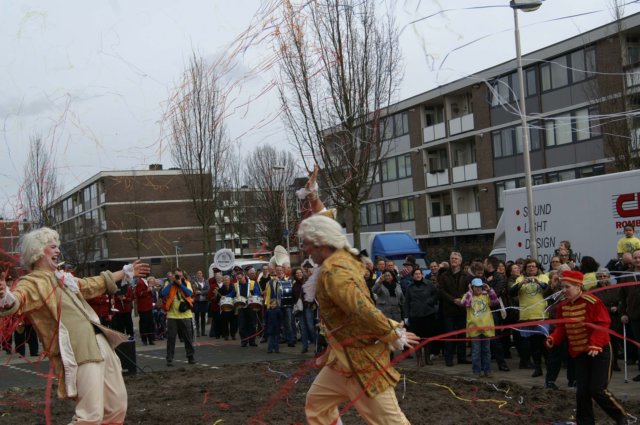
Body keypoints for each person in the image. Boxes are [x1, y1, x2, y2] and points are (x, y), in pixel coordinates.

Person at [0, 227, 149, 424]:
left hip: (101, 345)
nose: (58, 251)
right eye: (52, 247)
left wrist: (124, 272)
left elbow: (92, 284)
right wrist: (4, 296)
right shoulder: (32, 282)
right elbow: (17, 300)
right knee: (89, 416)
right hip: (79, 351)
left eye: (57, 247)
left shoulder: (64, 278)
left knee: (116, 407)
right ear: (38, 251)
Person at [298, 215, 419, 425]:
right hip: (340, 361)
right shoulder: (344, 256)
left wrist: (392, 332)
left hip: (360, 363)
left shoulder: (335, 274)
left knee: (391, 422)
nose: (305, 249)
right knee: (317, 404)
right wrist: (314, 199)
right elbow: (328, 222)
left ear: (322, 243)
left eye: (308, 243)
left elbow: (362, 309)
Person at [546, 271, 628, 425]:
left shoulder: (592, 302)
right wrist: (553, 338)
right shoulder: (562, 306)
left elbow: (603, 324)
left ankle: (621, 418)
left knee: (597, 390)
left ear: (578, 286)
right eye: (562, 287)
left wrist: (596, 343)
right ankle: (585, 422)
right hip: (579, 352)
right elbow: (562, 328)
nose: (564, 290)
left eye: (567, 287)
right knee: (582, 392)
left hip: (599, 350)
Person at [509, 258, 549, 377]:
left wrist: (539, 283)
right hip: (527, 316)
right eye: (529, 267)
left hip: (542, 315)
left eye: (533, 266)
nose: (531, 268)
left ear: (537, 268)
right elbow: (511, 292)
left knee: (545, 343)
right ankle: (537, 368)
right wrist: (521, 284)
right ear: (525, 269)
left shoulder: (543, 277)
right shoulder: (520, 279)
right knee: (533, 344)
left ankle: (548, 367)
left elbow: (549, 289)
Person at [462, 278, 499, 378]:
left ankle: (487, 370)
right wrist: (469, 291)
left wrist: (490, 290)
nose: (478, 289)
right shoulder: (468, 295)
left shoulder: (486, 295)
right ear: (472, 287)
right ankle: (476, 371)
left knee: (486, 351)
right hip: (474, 329)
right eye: (475, 287)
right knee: (476, 351)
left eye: (479, 286)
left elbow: (495, 302)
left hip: (486, 327)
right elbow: (466, 304)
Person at [438, 251, 471, 367]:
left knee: (462, 334)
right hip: (449, 309)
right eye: (452, 258)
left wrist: (463, 299)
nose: (454, 260)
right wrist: (453, 300)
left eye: (456, 259)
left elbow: (469, 290)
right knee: (450, 335)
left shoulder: (466, 276)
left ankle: (462, 357)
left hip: (462, 309)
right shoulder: (443, 276)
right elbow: (441, 291)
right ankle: (449, 358)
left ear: (460, 261)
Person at [404, 268, 439, 366]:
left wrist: (431, 301)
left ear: (422, 275)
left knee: (427, 338)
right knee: (416, 339)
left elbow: (436, 294)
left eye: (419, 273)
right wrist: (406, 316)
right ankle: (419, 359)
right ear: (413, 275)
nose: (418, 275)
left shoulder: (428, 284)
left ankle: (427, 358)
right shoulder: (410, 287)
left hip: (428, 314)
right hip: (415, 316)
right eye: (416, 274)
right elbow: (406, 302)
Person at [161, 269, 196, 366]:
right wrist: (172, 283)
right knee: (171, 338)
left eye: (180, 276)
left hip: (186, 315)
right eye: (176, 276)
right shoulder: (169, 283)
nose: (178, 278)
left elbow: (189, 293)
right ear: (173, 275)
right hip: (172, 316)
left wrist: (180, 284)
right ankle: (169, 359)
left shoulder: (186, 283)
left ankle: (190, 356)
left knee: (188, 338)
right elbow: (163, 294)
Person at [619, 248, 640, 382]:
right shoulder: (626, 275)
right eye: (635, 258)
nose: (638, 260)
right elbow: (621, 296)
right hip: (634, 315)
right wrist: (623, 313)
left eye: (639, 257)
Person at [228, 269, 261, 347]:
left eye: (240, 278)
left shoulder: (253, 283)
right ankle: (244, 341)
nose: (239, 280)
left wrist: (254, 296)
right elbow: (232, 293)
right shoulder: (236, 285)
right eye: (237, 278)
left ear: (244, 276)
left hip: (251, 306)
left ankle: (252, 341)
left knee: (252, 324)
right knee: (242, 325)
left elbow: (257, 292)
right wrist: (225, 297)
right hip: (241, 307)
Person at [134, 276, 156, 345]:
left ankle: (151, 339)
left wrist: (152, 289)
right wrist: (147, 291)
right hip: (143, 308)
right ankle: (144, 340)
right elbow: (138, 294)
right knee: (144, 324)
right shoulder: (140, 283)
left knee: (150, 323)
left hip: (149, 306)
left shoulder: (146, 282)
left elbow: (151, 294)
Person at [191, 270, 210, 338]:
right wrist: (198, 292)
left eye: (200, 273)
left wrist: (201, 292)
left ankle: (203, 331)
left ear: (202, 274)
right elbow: (194, 291)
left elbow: (208, 290)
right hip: (197, 301)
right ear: (196, 275)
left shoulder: (206, 282)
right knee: (196, 317)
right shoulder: (194, 282)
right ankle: (198, 332)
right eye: (198, 273)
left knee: (203, 317)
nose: (199, 274)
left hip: (204, 301)